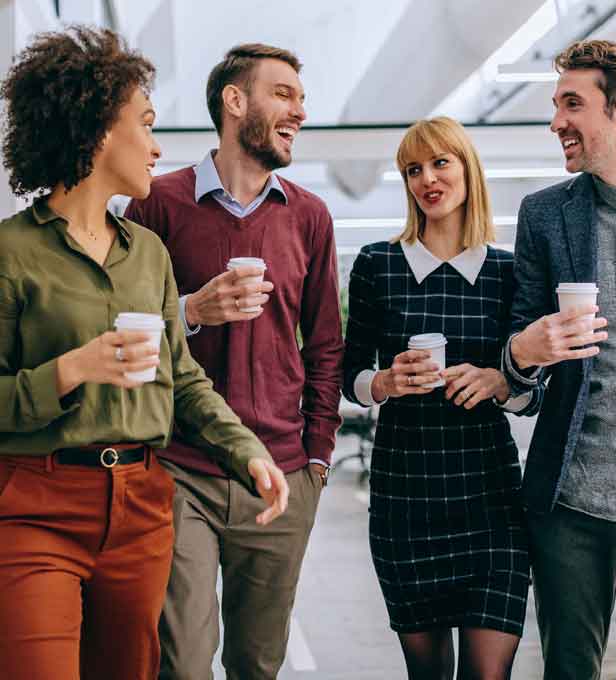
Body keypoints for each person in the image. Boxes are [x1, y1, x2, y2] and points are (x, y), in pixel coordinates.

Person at [0, 27, 288, 680]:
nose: (158, 147)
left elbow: (183, 379)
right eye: (146, 124)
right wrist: (71, 370)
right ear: (98, 128)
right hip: (35, 509)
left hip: (140, 510)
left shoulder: (149, 253)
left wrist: (247, 451)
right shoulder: (11, 254)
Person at [125, 43, 343, 680]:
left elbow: (326, 344)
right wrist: (193, 309)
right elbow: (128, 330)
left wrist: (318, 460)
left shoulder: (309, 216)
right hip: (179, 467)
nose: (299, 111)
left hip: (280, 474)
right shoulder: (156, 206)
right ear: (235, 101)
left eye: (300, 99)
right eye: (284, 95)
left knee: (257, 662)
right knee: (183, 663)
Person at [503, 39, 616, 679]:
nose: (556, 122)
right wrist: (525, 352)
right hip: (573, 497)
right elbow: (518, 378)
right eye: (557, 105)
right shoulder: (546, 216)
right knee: (570, 670)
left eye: (572, 104)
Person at [343, 116, 542, 680]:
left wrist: (501, 382)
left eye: (439, 163)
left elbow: (533, 398)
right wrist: (383, 383)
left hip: (489, 495)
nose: (426, 179)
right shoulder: (379, 265)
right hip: (407, 494)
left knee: (487, 674)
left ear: (466, 169)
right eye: (412, 169)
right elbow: (350, 373)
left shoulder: (508, 272)